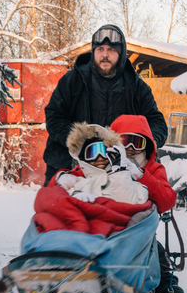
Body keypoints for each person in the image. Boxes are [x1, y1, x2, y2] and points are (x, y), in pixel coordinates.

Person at [42, 24, 168, 186]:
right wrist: (77, 140)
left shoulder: (137, 87)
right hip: (69, 168)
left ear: (121, 53)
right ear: (93, 51)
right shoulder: (72, 81)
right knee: (55, 209)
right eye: (100, 49)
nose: (105, 55)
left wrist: (149, 142)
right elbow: (54, 116)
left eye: (112, 50)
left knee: (128, 211)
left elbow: (156, 122)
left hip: (121, 172)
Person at [110, 114, 183, 293]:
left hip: (140, 228)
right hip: (109, 222)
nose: (131, 150)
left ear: (147, 145)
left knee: (152, 249)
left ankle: (165, 283)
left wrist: (141, 175)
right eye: (124, 142)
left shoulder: (154, 169)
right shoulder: (104, 164)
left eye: (137, 143)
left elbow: (167, 199)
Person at [55, 123, 149, 205]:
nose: (99, 157)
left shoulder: (132, 184)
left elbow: (129, 206)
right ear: (83, 158)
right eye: (92, 153)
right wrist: (74, 194)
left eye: (104, 152)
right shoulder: (77, 183)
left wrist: (119, 172)